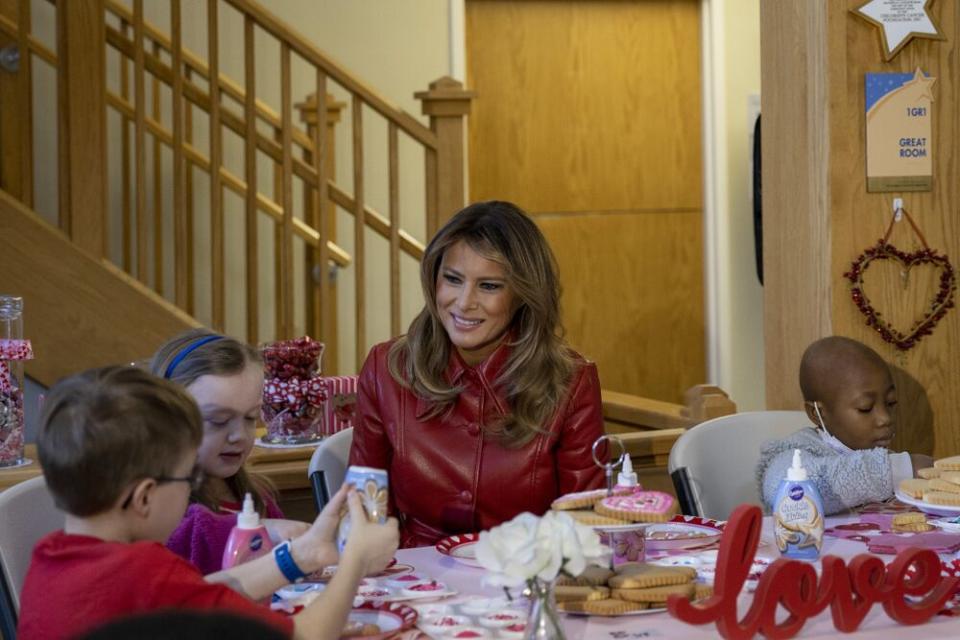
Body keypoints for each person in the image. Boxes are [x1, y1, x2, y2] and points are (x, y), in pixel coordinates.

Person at [18, 366, 398, 640]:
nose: (191, 489)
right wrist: (355, 561)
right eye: (189, 478)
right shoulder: (146, 571)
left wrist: (302, 555)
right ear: (145, 497)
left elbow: (199, 594)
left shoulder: (51, 557)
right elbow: (305, 635)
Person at [350, 200, 605, 547]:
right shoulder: (386, 368)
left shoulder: (571, 381)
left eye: (489, 286)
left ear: (522, 294)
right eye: (453, 280)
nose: (464, 302)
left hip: (525, 577)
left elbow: (584, 522)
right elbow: (368, 516)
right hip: (416, 578)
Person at [150, 329, 307, 573]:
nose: (239, 436)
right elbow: (186, 538)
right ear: (167, 419)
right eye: (218, 420)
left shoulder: (256, 498)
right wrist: (256, 531)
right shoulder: (155, 505)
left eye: (250, 417)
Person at [756, 336, 934, 515]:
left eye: (890, 403)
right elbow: (792, 492)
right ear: (817, 413)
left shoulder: (881, 457)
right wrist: (897, 470)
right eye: (865, 408)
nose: (885, 418)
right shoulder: (792, 454)